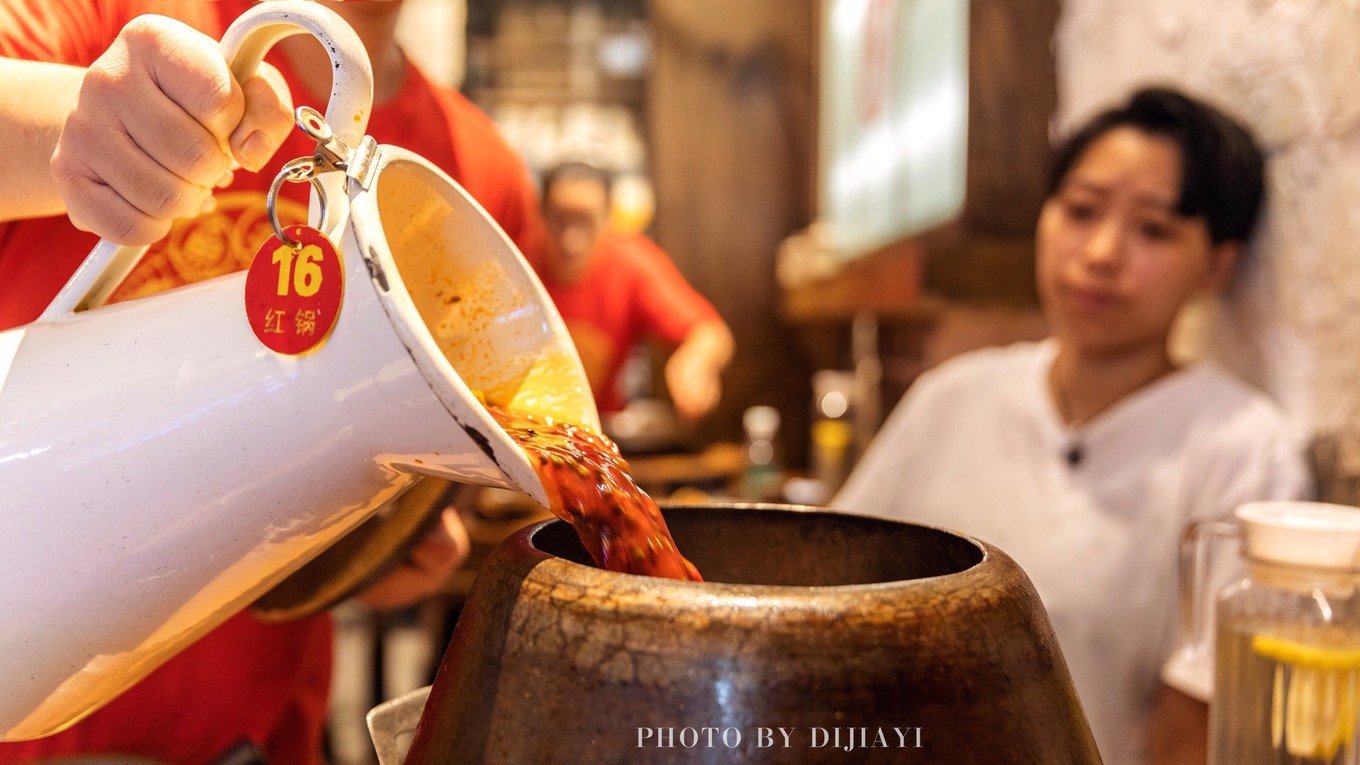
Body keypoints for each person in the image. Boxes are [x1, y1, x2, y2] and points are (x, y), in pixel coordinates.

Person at [0, 0, 546, 761]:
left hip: (258, 735)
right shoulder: (118, 19)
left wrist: (379, 537)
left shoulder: (481, 175)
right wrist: (79, 124)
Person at [833, 86, 1312, 765]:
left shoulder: (1244, 450)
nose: (1101, 253)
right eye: (1081, 211)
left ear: (1216, 265)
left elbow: (1195, 734)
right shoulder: (952, 397)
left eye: (1153, 229)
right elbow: (827, 595)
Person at [533, 160, 734, 422]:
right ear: (541, 216)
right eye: (560, 219)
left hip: (600, 438)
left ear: (607, 219)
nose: (570, 238)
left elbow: (712, 333)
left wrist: (697, 362)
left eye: (586, 221)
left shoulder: (629, 262)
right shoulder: (513, 257)